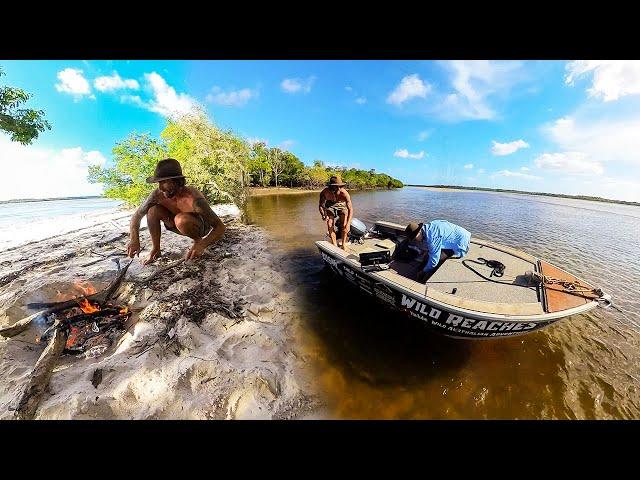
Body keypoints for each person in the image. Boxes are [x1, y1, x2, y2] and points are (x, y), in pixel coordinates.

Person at [126, 158, 226, 265]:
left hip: (199, 227)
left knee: (181, 219)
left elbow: (220, 227)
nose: (160, 188)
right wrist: (134, 239)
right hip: (175, 225)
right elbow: (136, 216)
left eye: (164, 182)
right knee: (152, 210)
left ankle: (198, 241)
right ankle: (156, 249)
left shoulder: (194, 198)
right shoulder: (157, 195)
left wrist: (202, 244)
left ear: (177, 181)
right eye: (159, 182)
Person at [405, 220, 471, 283]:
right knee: (429, 254)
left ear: (418, 233)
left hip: (460, 241)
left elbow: (434, 261)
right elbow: (433, 243)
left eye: (415, 238)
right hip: (458, 233)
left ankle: (429, 274)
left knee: (438, 259)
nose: (415, 240)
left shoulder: (432, 238)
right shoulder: (428, 227)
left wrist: (423, 271)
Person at [318, 175, 353, 250]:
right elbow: (321, 205)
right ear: (330, 186)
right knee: (330, 224)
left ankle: (344, 244)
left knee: (344, 225)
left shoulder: (344, 193)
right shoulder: (325, 192)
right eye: (336, 186)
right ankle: (334, 244)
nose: (338, 188)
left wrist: (348, 224)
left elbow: (350, 209)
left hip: (342, 205)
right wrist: (323, 215)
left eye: (340, 186)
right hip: (330, 204)